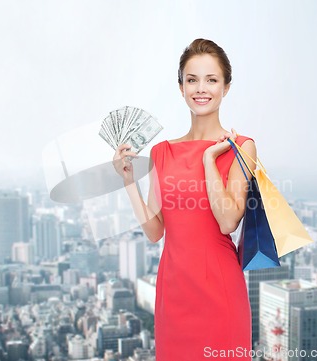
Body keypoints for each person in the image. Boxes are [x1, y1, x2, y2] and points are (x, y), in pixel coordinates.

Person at [113, 38, 256, 360]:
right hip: (174, 292)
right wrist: (128, 182)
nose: (201, 88)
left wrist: (208, 161)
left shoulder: (242, 147)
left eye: (211, 79)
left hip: (220, 291)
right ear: (181, 88)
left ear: (226, 87)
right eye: (192, 80)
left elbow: (228, 220)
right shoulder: (162, 152)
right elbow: (155, 232)